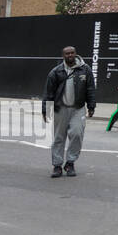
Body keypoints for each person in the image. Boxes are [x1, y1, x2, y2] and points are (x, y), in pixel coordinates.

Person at [42, 47, 96, 178]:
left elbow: (90, 89)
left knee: (77, 134)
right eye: (67, 53)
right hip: (60, 109)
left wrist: (91, 106)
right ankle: (57, 165)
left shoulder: (85, 69)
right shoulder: (56, 72)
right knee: (58, 138)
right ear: (63, 56)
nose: (70, 55)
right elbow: (48, 92)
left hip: (78, 108)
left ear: (76, 54)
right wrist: (46, 110)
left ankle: (70, 163)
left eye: (72, 53)